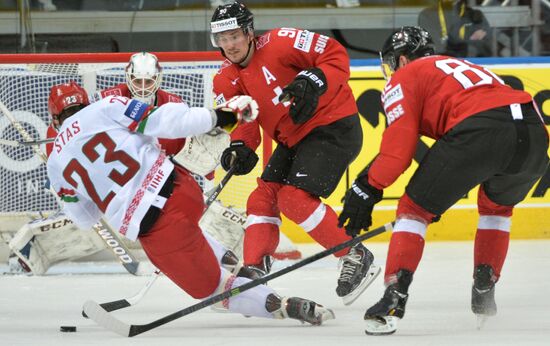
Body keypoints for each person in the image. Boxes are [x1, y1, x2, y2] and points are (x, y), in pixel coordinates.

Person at [46, 81, 335, 325]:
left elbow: (85, 218)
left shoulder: (56, 163)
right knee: (190, 233)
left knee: (213, 290)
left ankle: (283, 305)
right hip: (181, 189)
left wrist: (77, 182)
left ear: (55, 120)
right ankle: (239, 270)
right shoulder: (107, 106)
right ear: (86, 101)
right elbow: (165, 121)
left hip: (157, 230)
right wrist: (219, 117)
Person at [338, 26, 549, 335]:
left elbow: (399, 150)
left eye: (391, 63)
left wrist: (368, 186)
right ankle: (484, 290)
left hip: (481, 129)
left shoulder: (406, 76)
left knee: (413, 210)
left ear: (403, 60)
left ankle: (393, 298)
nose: (390, 71)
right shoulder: (466, 67)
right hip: (533, 133)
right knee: (497, 209)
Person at [209, 1, 379, 305]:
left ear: (249, 32)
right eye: (221, 39)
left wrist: (313, 80)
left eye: (233, 36)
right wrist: (242, 146)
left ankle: (354, 253)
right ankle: (255, 268)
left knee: (293, 198)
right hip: (293, 139)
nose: (228, 45)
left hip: (333, 126)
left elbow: (335, 54)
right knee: (261, 197)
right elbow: (245, 121)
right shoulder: (225, 79)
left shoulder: (281, 41)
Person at [418, 0, 492, 57]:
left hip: (471, 64)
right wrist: (468, 42)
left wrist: (450, 43)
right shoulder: (427, 15)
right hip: (441, 66)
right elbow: (435, 47)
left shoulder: (475, 16)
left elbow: (485, 48)